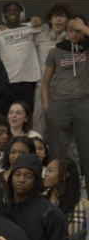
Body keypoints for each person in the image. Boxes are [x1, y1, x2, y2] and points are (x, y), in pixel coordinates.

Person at [41, 15, 89, 170]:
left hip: (83, 101)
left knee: (87, 152)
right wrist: (46, 106)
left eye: (78, 31)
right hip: (59, 103)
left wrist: (83, 27)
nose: (74, 34)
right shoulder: (56, 51)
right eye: (71, 30)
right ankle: (61, 192)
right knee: (58, 155)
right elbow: (46, 82)